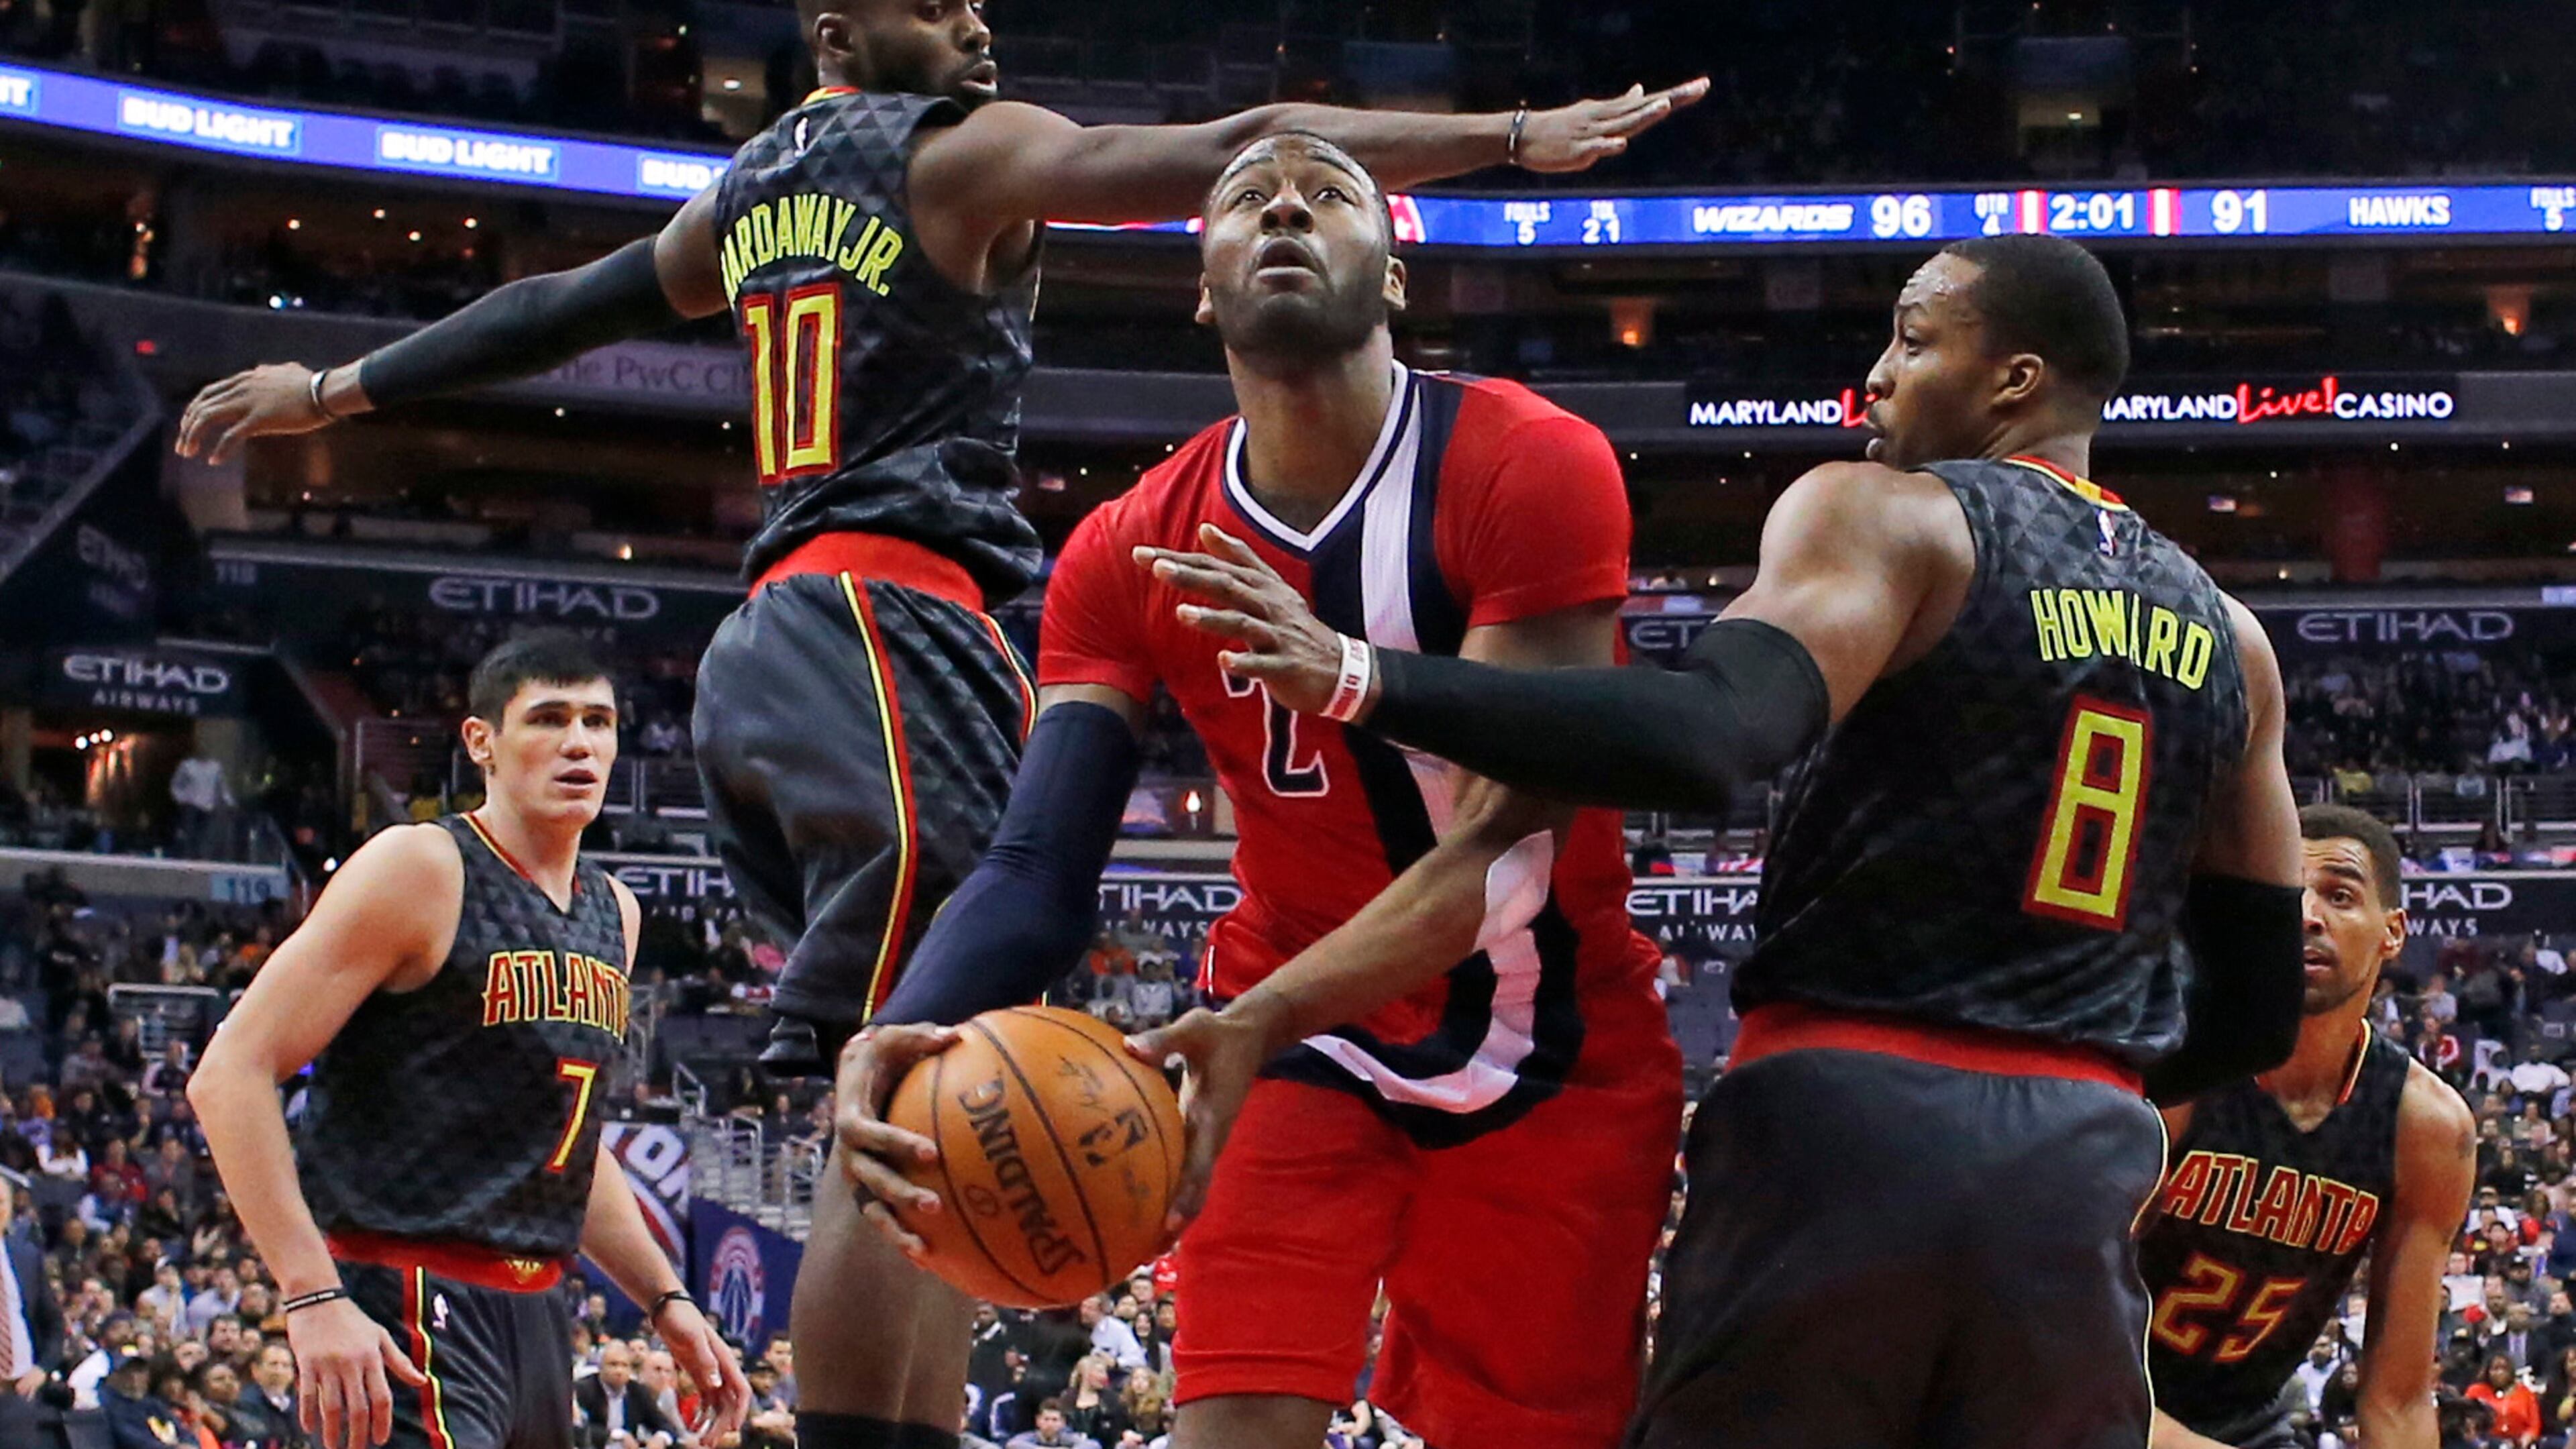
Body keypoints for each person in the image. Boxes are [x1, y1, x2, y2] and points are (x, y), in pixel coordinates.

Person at [172, 11, 1703, 1448]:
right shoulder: (960, 154)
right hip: (888, 619)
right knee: (912, 1080)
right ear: (840, 40)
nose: (978, 28)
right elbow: (1238, 135)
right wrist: (1505, 130)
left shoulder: (744, 196)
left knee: (921, 1054)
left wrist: (340, 381)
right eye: (939, 3)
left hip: (772, 636)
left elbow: (559, 306)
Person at [1132, 233, 2308, 1447]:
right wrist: (2066, 1068)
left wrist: (1362, 676)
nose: (1877, 375)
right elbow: (2261, 1008)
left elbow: (1709, 733)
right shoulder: (2234, 638)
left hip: (1844, 1119)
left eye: (1912, 337)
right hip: (2081, 1157)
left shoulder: (1894, 516)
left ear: (2015, 380)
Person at [838, 135, 1680, 1449]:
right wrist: (902, 1024)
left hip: (1556, 1042)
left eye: (1333, 192)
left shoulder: (1532, 463)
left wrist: (1253, 1021)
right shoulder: (1124, 551)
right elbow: (1035, 869)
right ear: (1203, 286)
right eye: (1244, 197)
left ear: (1395, 276)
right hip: (1295, 1041)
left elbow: (1501, 857)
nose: (1286, 203)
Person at [189, 633, 748, 1449]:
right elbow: (230, 1071)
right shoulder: (422, 864)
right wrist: (311, 1295)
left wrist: (668, 1300)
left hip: (541, 1315)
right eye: (549, 719)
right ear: (481, 741)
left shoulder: (614, 912)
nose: (579, 742)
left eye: (599, 721)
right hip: (404, 1295)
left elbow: (568, 1147)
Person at [2138, 805, 2476, 1449]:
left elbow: (2398, 1400)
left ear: (2394, 932)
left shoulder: (2427, 1129)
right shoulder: (2177, 1067)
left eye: (2340, 895)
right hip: (2089, 1399)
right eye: (2289, 894)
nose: (2308, 916)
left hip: (2247, 1422)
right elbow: (2059, 1333)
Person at [1, 1171, 66, 1444]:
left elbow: (54, 1323)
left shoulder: (26, 1256)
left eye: (2, 1202)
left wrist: (43, 1368)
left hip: (20, 1396)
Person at [576, 1341, 677, 1449]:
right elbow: (576, 1428)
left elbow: (664, 1425)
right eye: (613, 1364)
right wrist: (617, 1435)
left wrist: (661, 1437)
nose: (619, 1371)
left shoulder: (638, 1391)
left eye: (624, 1366)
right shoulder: (583, 1389)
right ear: (600, 1367)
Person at [2465, 1354, 2542, 1447]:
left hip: (2518, 1442)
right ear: (2488, 1371)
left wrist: (2526, 1439)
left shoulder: (2525, 1392)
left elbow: (2534, 1425)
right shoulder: (2476, 1391)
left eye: (2504, 1369)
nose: (2500, 1373)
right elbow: (2465, 1419)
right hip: (2486, 1441)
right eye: (2495, 1369)